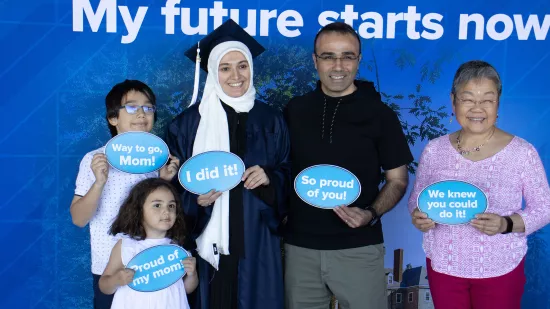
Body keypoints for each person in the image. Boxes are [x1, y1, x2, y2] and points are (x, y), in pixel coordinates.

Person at [284, 22, 413, 309]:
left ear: (358, 60)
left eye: (347, 56)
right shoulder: (295, 110)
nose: (338, 65)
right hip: (299, 249)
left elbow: (398, 180)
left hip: (359, 248)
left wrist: (370, 213)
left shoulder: (380, 115)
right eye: (328, 56)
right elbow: (280, 171)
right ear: (315, 60)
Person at [166, 20, 290, 309]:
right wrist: (194, 201)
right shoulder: (187, 125)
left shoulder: (271, 120)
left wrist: (271, 178)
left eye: (242, 66)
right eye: (225, 68)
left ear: (251, 68)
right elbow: (168, 188)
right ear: (212, 72)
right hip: (206, 243)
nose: (236, 75)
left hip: (256, 239)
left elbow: (289, 168)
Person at [408, 60, 550, 309]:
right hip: (444, 263)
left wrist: (506, 224)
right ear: (453, 101)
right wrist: (418, 216)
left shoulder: (522, 152)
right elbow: (417, 199)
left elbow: (545, 207)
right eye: (468, 98)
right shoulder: (434, 150)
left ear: (498, 104)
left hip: (501, 266)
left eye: (487, 99)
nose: (478, 108)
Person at [70, 80, 180, 309]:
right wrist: (99, 182)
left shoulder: (159, 160)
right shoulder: (95, 160)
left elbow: (163, 213)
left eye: (148, 108)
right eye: (131, 107)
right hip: (110, 271)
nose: (142, 113)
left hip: (154, 268)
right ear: (113, 118)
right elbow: (79, 219)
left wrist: (165, 181)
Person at [99, 178, 198, 308]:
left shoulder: (178, 247)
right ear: (138, 210)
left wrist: (192, 274)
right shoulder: (125, 246)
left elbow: (186, 289)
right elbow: (104, 285)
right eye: (157, 205)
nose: (166, 211)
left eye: (171, 206)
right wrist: (116, 280)